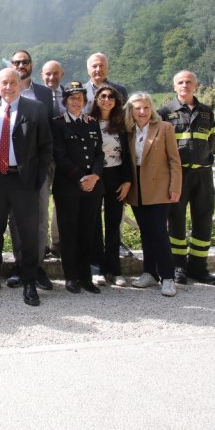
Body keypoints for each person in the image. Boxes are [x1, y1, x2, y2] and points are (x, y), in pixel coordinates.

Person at [0, 67, 53, 307]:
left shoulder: (35, 109)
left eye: (12, 83)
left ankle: (29, 282)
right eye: (3, 83)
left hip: (24, 180)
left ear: (19, 85)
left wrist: (37, 180)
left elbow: (46, 147)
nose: (8, 87)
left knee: (27, 234)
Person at [159, 70, 215, 285]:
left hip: (203, 173)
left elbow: (210, 139)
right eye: (180, 82)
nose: (184, 85)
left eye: (188, 82)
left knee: (203, 219)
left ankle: (199, 267)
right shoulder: (165, 111)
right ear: (174, 86)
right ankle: (178, 267)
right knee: (175, 220)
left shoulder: (206, 112)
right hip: (178, 174)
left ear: (196, 85)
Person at [7, 50, 58, 290]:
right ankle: (20, 265)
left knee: (39, 217)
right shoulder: (5, 92)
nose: (21, 65)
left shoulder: (46, 94)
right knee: (16, 219)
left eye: (25, 62)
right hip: (12, 170)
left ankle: (36, 266)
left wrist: (47, 165)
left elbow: (51, 131)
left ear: (31, 65)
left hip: (39, 168)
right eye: (16, 62)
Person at [124, 92, 182, 297]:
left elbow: (175, 160)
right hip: (137, 187)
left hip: (159, 186)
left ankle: (168, 277)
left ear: (152, 109)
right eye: (138, 108)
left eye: (146, 107)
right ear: (131, 110)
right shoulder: (128, 130)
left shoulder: (164, 128)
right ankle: (149, 272)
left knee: (159, 232)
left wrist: (175, 187)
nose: (142, 112)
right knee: (146, 231)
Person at [51, 82, 106, 294]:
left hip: (92, 187)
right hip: (68, 187)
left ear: (85, 101)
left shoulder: (92, 123)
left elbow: (99, 153)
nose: (76, 102)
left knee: (87, 232)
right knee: (69, 233)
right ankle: (71, 277)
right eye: (72, 98)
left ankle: (85, 277)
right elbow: (60, 156)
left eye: (80, 99)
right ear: (65, 101)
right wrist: (81, 178)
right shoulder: (57, 123)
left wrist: (95, 176)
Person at [83, 52, 132, 260]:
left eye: (101, 65)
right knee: (92, 218)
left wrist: (128, 178)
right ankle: (95, 263)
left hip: (115, 171)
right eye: (94, 66)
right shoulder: (79, 92)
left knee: (114, 217)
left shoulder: (120, 91)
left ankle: (114, 260)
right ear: (88, 69)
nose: (98, 69)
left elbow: (128, 141)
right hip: (90, 169)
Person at [88, 84, 133, 287]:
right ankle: (96, 268)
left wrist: (127, 181)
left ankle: (115, 270)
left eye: (111, 97)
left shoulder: (121, 125)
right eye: (103, 96)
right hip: (96, 176)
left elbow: (128, 155)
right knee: (94, 223)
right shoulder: (88, 122)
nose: (107, 100)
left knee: (114, 223)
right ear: (97, 99)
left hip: (116, 175)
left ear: (116, 102)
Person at [40, 59, 66, 256]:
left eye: (55, 73)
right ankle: (41, 246)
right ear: (42, 76)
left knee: (62, 202)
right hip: (42, 158)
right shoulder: (36, 97)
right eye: (48, 74)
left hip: (65, 158)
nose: (51, 77)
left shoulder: (72, 96)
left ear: (62, 74)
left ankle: (58, 243)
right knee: (40, 203)